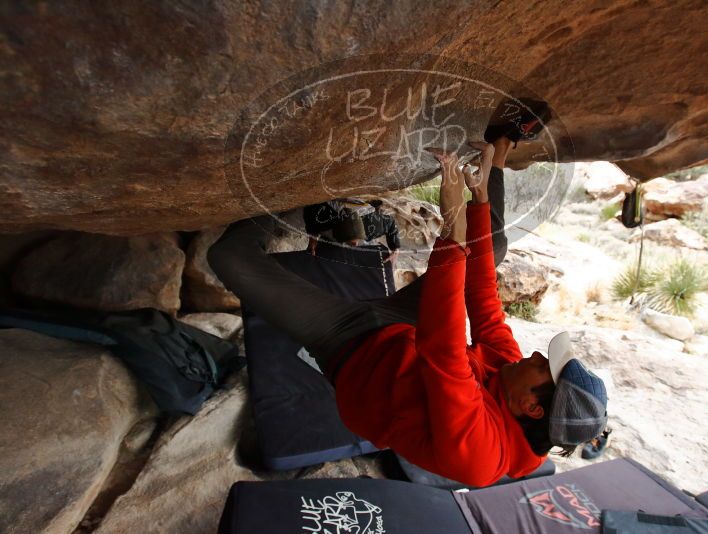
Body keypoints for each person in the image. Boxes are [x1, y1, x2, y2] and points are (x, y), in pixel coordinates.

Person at [209, 128, 607, 487]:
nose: (536, 355)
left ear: (531, 409)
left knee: (228, 257)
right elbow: (484, 300)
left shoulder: (481, 456)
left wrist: (453, 224)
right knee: (495, 248)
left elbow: (445, 354)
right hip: (408, 328)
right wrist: (478, 199)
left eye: (543, 366)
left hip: (347, 346)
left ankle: (283, 199)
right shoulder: (513, 376)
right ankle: (497, 153)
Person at [303, 199, 401, 265]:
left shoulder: (374, 225)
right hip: (330, 208)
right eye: (350, 242)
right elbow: (312, 228)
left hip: (361, 207)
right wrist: (313, 242)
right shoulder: (317, 217)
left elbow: (391, 223)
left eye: (357, 240)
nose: (356, 244)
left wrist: (395, 249)